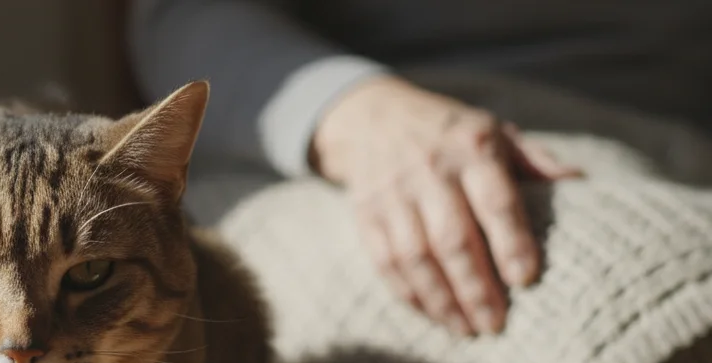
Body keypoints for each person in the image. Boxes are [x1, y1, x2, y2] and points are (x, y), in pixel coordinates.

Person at [127, 1, 712, 337]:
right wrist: (360, 115)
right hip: (346, 146)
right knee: (653, 293)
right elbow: (183, 13)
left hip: (676, 136)